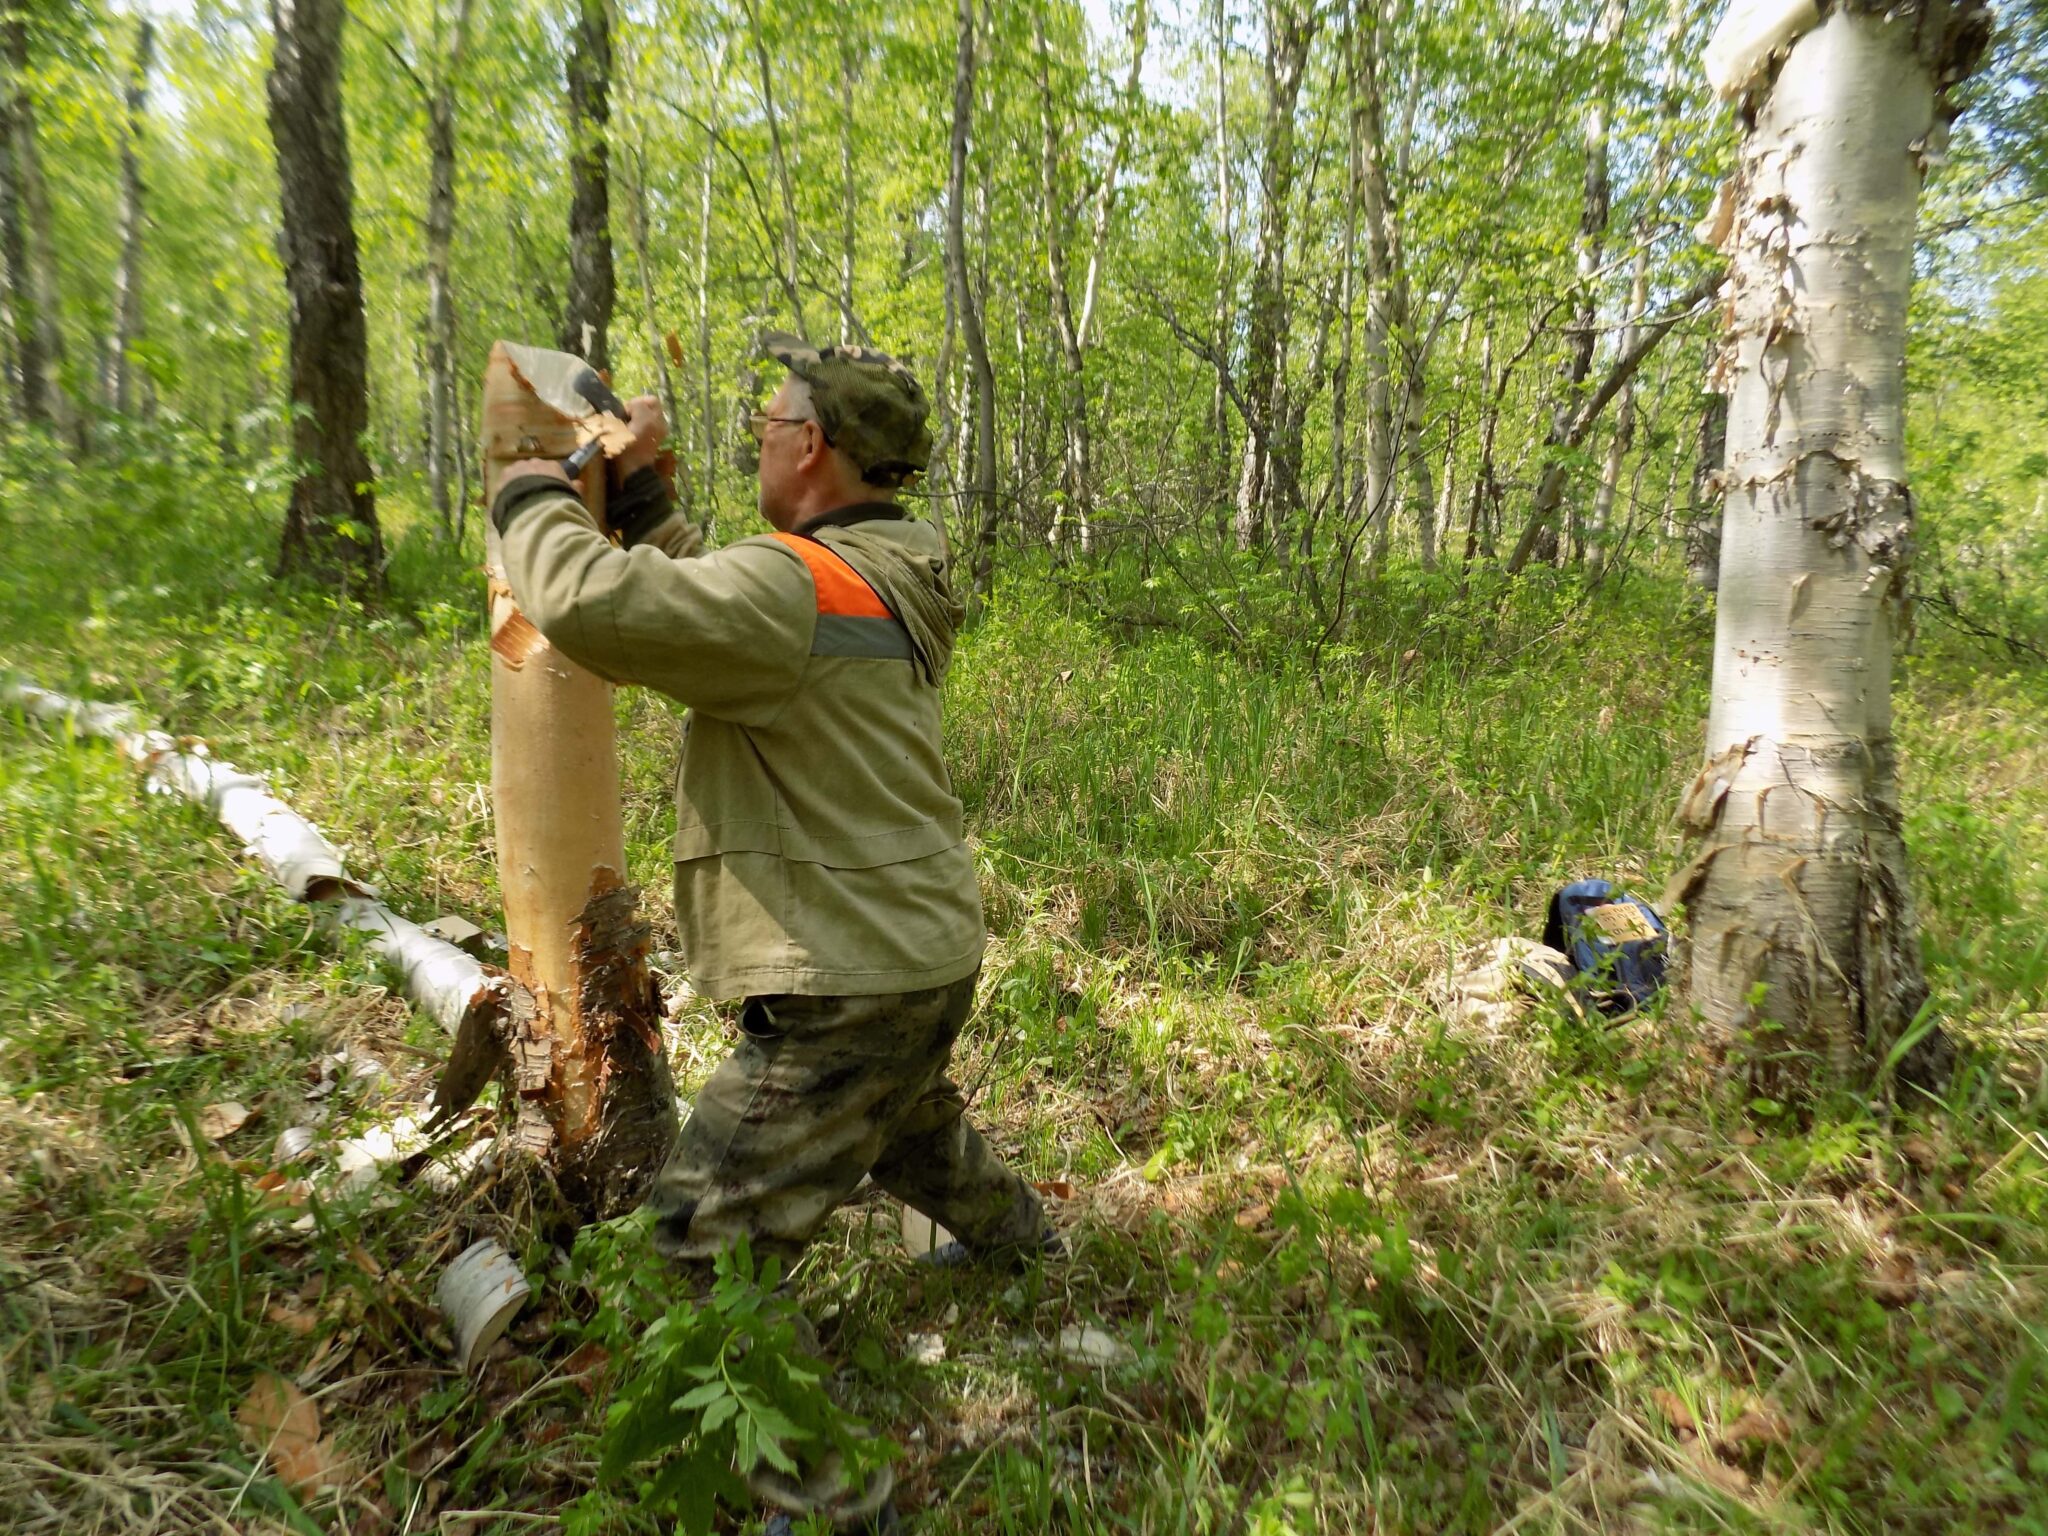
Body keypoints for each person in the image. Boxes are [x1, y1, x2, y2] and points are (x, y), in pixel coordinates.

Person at [490, 333, 1050, 1281]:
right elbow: (733, 613)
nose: (758, 440)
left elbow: (593, 604)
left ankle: (767, 1413)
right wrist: (644, 503)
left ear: (813, 445)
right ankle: (1023, 1250)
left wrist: (532, 497)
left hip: (852, 982)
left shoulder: (795, 588)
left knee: (699, 1242)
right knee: (902, 1120)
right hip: (923, 949)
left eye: (769, 422)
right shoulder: (888, 566)